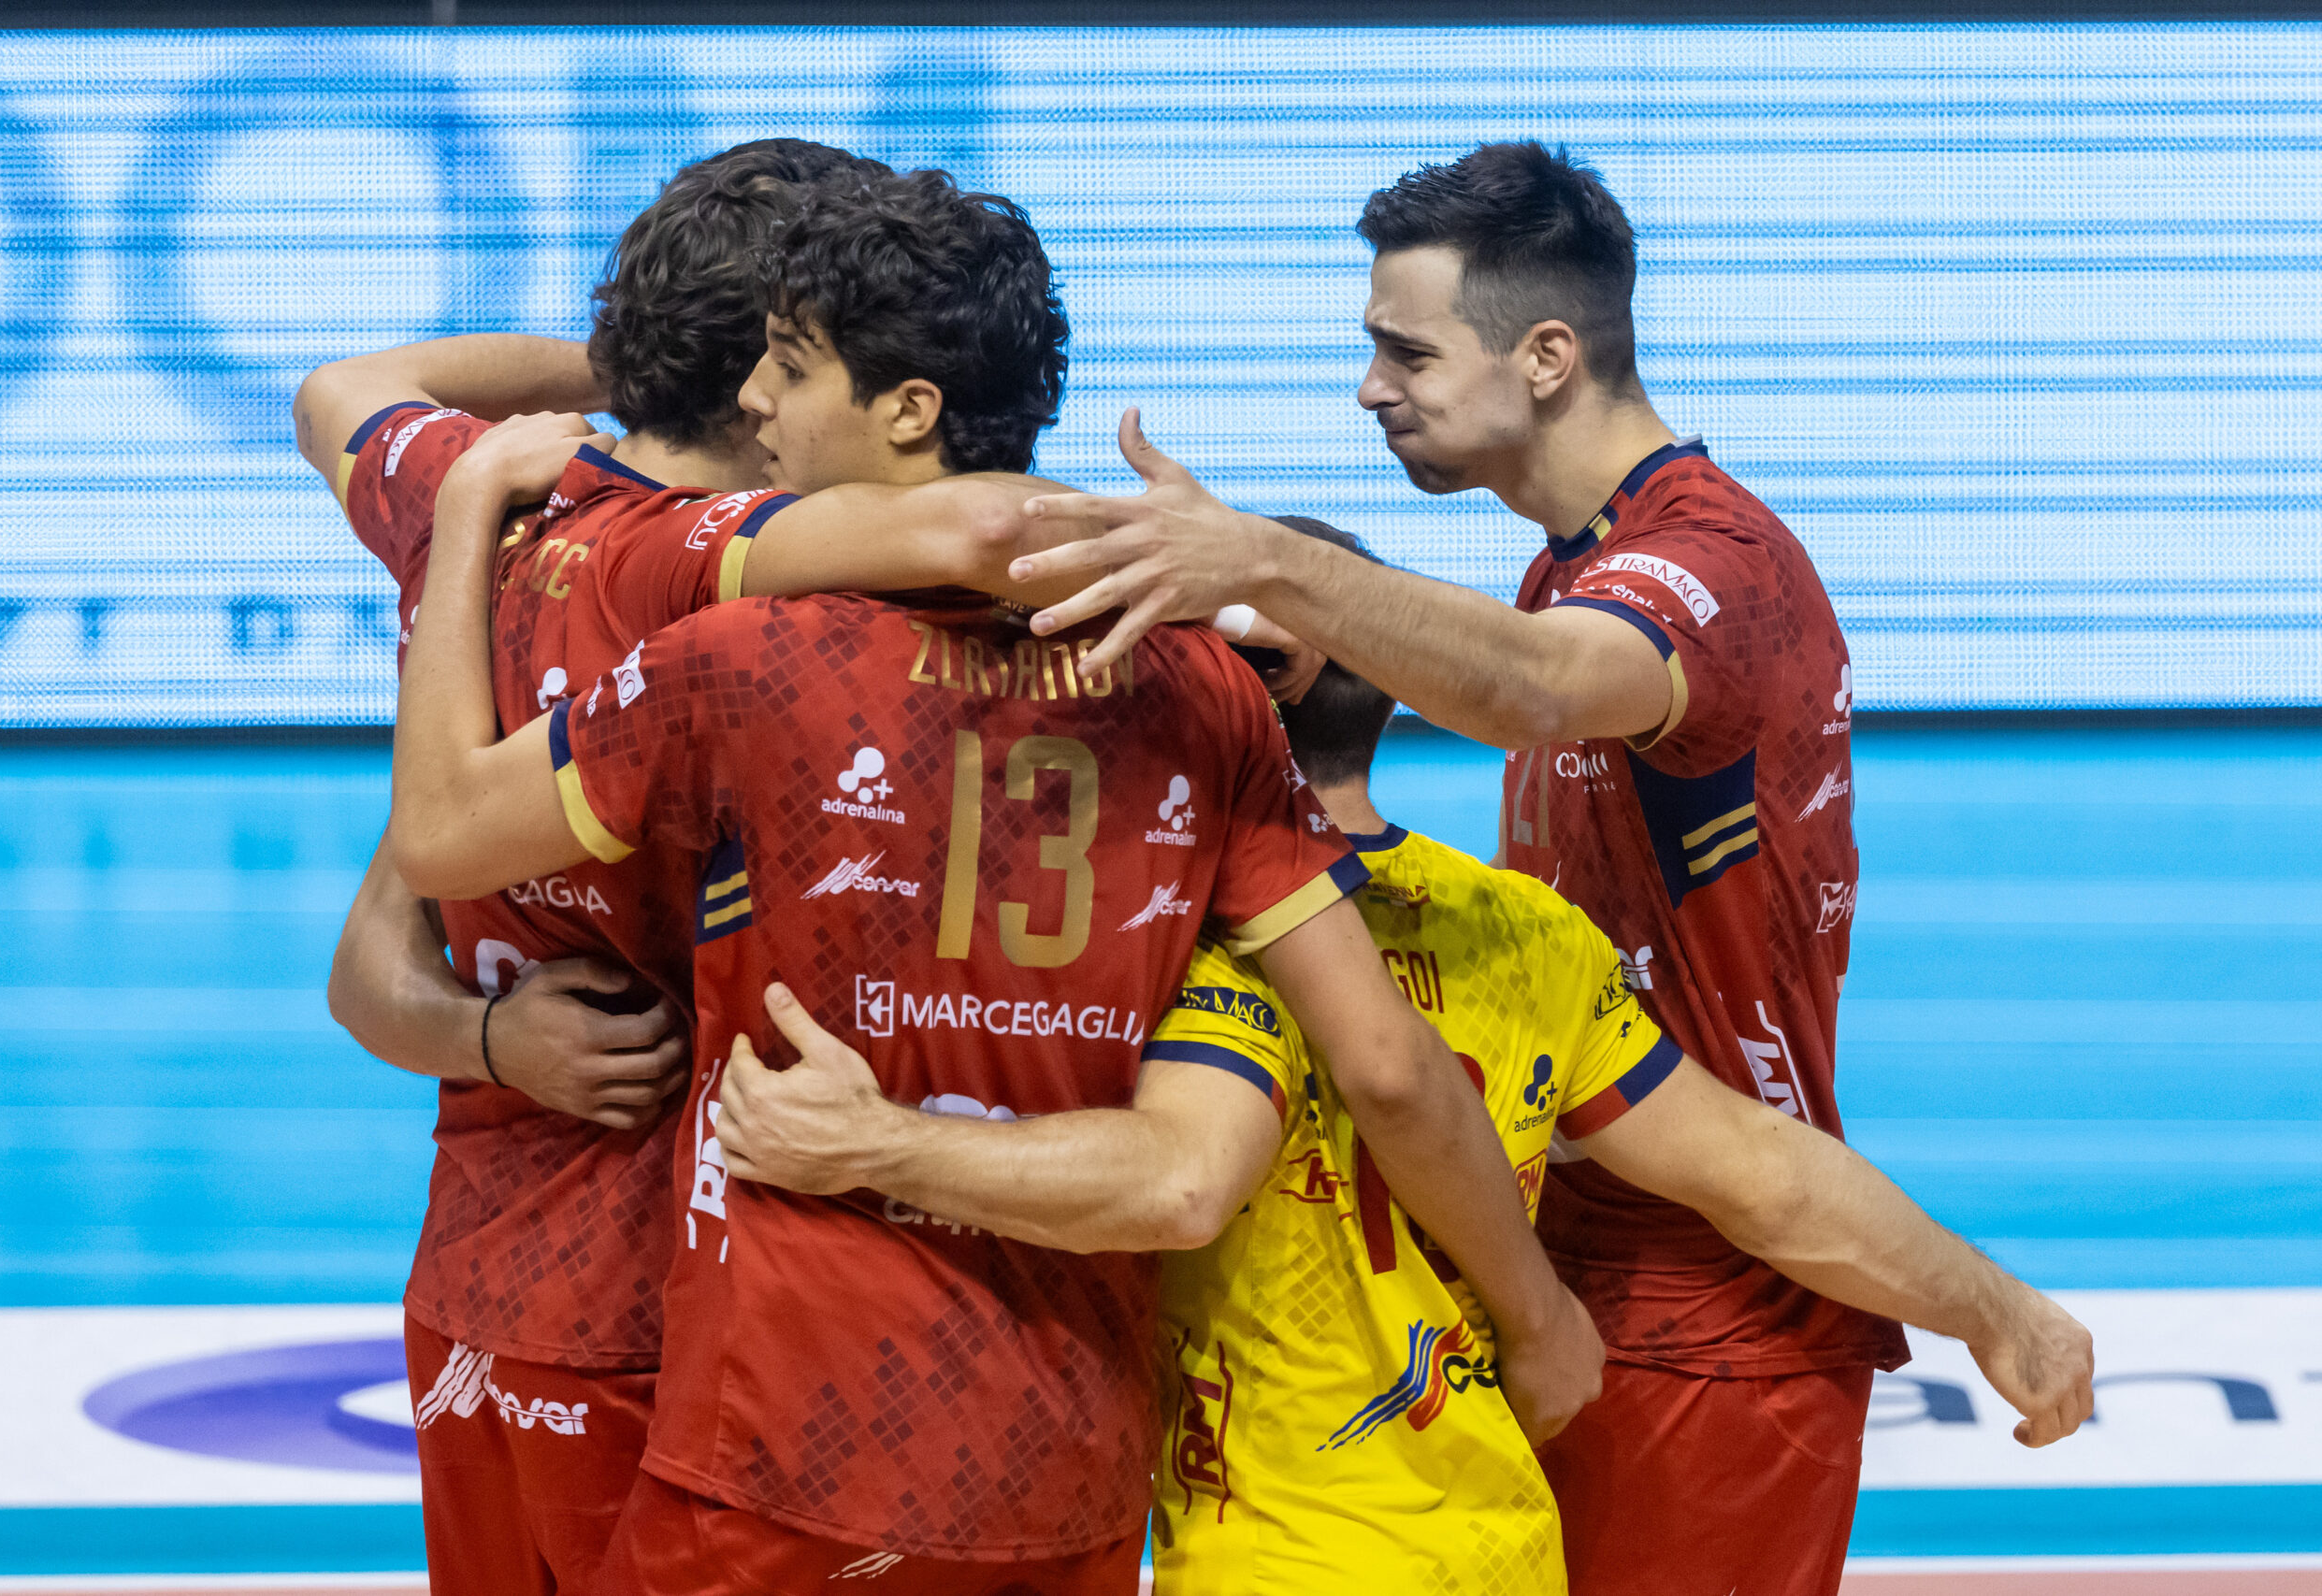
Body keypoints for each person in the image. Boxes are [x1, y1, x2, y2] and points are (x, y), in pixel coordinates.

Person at [387, 168, 1602, 1596]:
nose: (757, 403)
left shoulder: (741, 663)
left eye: (790, 367)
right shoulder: (1204, 687)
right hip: (1064, 1467)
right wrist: (1537, 1317)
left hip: (784, 1447)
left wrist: (462, 522)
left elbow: (442, 840)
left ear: (907, 409)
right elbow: (1387, 1067)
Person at [1001, 139, 2038, 1592]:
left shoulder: (1708, 567)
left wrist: (1263, 561)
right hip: (1568, 1275)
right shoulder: (1571, 568)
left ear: (1547, 356)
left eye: (1407, 352)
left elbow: (1535, 687)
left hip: (1709, 1324)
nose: (1371, 389)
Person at [706, 518, 2094, 1596]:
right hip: (1493, 1547)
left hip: (1274, 1560)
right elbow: (1763, 1175)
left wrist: (873, 1145)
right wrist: (1997, 1310)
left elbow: (1178, 1185)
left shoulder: (1167, 933)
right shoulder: (1525, 932)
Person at [296, 139, 1083, 1595]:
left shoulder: (465, 494)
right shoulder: (715, 559)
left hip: (478, 1267)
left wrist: (607, 382)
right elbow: (980, 524)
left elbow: (342, 388)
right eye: (799, 340)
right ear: (761, 379)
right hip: (675, 1283)